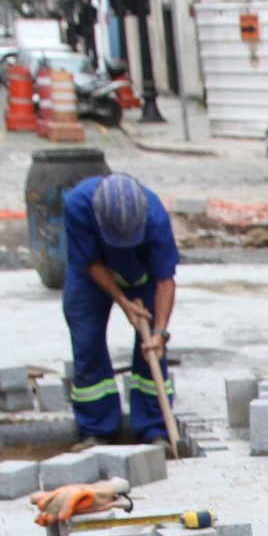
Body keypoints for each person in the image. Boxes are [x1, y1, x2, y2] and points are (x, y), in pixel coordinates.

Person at [60, 173, 178, 445]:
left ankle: (155, 429)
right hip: (91, 275)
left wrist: (160, 332)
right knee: (87, 343)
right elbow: (89, 261)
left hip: (143, 275)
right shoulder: (78, 205)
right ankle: (96, 428)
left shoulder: (156, 217)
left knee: (151, 351)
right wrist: (122, 301)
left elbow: (165, 280)